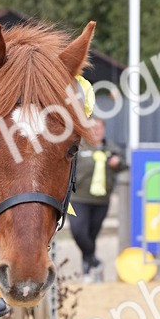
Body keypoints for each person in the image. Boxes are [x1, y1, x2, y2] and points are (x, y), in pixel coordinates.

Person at [68, 117, 126, 282]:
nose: (96, 131)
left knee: (91, 236)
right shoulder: (79, 146)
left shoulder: (111, 148)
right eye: (92, 128)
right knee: (79, 233)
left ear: (104, 130)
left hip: (101, 201)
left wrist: (117, 163)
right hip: (78, 198)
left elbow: (123, 164)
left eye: (99, 128)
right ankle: (95, 262)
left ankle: (88, 271)